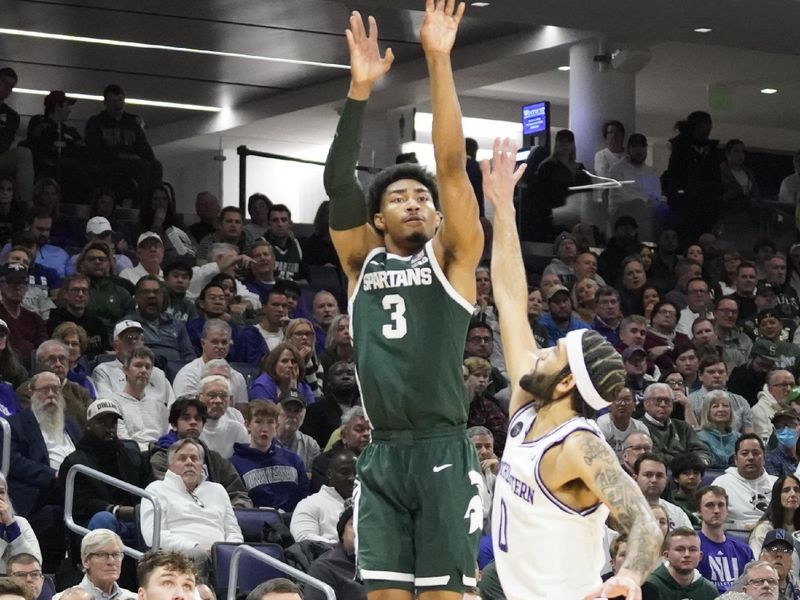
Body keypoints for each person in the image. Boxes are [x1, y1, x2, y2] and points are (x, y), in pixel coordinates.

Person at [324, 4, 491, 596]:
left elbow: (450, 166)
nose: (415, 202)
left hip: (443, 447)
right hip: (382, 453)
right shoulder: (359, 261)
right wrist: (359, 90)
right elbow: (338, 184)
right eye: (399, 197)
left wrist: (440, 60)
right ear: (377, 217)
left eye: (422, 196)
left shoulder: (452, 259)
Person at [481, 136, 662, 600]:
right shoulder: (529, 400)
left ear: (566, 382)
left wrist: (630, 575)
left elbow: (643, 521)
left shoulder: (580, 446)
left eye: (553, 351)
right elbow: (509, 300)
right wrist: (503, 209)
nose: (539, 351)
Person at [57, 399, 152, 541]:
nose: (109, 429)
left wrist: (142, 510)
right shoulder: (74, 463)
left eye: (113, 423)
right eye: (102, 423)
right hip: (95, 523)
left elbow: (150, 487)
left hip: (136, 519)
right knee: (104, 519)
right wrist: (116, 511)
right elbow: (79, 505)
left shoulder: (132, 456)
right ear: (89, 425)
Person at [140, 438, 243, 560]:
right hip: (176, 557)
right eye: (182, 458)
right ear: (170, 465)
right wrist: (194, 547)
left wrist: (225, 551)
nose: (189, 462)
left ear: (201, 466)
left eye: (194, 458)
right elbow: (153, 535)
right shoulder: (156, 489)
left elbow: (234, 532)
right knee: (199, 555)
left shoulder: (218, 490)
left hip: (220, 557)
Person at [149, 395, 252, 509]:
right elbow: (166, 494)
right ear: (174, 424)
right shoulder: (161, 457)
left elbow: (238, 494)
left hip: (218, 518)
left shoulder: (214, 458)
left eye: (197, 418)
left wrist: (234, 510)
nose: (193, 422)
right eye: (186, 418)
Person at [230, 400, 309, 512]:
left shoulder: (294, 460)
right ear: (248, 425)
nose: (265, 428)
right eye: (258, 422)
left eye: (270, 422)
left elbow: (305, 498)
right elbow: (239, 504)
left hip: (294, 522)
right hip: (257, 524)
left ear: (276, 426)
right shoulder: (235, 465)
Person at [90, 320, 174, 407]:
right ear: (115, 346)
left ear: (143, 343)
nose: (133, 342)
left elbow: (173, 406)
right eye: (128, 338)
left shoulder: (158, 373)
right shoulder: (103, 371)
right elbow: (106, 404)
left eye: (137, 338)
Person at [696, 486, 755, 593]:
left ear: (727, 510)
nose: (716, 510)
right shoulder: (692, 549)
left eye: (721, 505)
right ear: (699, 511)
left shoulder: (744, 551)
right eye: (710, 505)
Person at [290, 448, 355, 543]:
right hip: (332, 555)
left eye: (356, 473)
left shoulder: (368, 503)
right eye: (344, 472)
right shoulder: (309, 504)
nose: (352, 478)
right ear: (329, 474)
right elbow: (304, 539)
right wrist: (344, 547)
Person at [713, 434, 777, 529]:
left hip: (771, 535)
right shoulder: (721, 483)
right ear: (736, 459)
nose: (750, 457)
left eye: (756, 453)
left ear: (764, 458)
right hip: (735, 535)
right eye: (744, 453)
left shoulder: (777, 483)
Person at [109, 347, 167, 450]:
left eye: (148, 367)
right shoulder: (113, 402)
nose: (144, 370)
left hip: (159, 455)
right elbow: (122, 439)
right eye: (138, 365)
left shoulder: (159, 405)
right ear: (125, 369)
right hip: (131, 456)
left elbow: (166, 436)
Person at [641, 383, 712, 465]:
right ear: (646, 404)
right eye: (658, 400)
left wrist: (701, 461)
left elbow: (702, 451)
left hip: (687, 472)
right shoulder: (640, 427)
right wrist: (684, 462)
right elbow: (652, 456)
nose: (663, 404)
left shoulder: (683, 427)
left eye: (667, 401)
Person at [305, 505, 366, 600]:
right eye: (353, 523)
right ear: (342, 534)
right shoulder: (324, 568)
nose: (361, 529)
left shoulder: (388, 564)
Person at [640, 527, 719, 600]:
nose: (687, 554)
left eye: (692, 550)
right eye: (679, 549)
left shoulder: (709, 591)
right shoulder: (650, 587)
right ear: (667, 556)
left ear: (700, 556)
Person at [47, 274, 109, 359]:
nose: (80, 294)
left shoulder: (98, 324)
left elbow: (106, 352)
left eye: (84, 290)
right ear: (65, 294)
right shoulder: (54, 323)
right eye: (75, 290)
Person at [302, 361, 360, 449]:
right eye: (339, 373)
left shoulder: (363, 409)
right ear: (329, 382)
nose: (345, 377)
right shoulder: (315, 411)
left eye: (350, 373)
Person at [749, 475, 800, 572]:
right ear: (777, 496)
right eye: (786, 490)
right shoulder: (764, 529)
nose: (793, 494)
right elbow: (756, 565)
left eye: (797, 490)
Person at [0, 264, 46, 371]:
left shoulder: (35, 319)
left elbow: (43, 347)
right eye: (12, 282)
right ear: (2, 285)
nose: (18, 287)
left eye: (23, 283)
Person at [68, 529, 136, 600]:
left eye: (116, 554)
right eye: (102, 555)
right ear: (86, 561)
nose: (111, 561)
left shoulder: (134, 598)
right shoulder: (64, 598)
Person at [633, 453, 696, 530]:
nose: (654, 480)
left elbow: (689, 541)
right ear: (635, 479)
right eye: (648, 475)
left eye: (659, 475)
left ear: (666, 481)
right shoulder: (620, 510)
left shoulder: (677, 514)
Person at [0, 475, 41, 573]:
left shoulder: (20, 523)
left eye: (1, 492)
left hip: (21, 584)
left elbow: (35, 564)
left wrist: (11, 526)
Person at [596, 386, 648, 458]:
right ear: (609, 406)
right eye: (617, 399)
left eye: (627, 399)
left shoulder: (641, 428)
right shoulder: (601, 425)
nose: (622, 403)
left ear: (634, 406)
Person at [697, 390, 740, 468]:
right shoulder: (700, 438)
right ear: (707, 411)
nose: (721, 409)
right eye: (715, 406)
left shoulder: (739, 437)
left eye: (725, 405)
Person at [765, 410, 800, 476]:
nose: (786, 430)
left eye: (791, 424)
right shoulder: (770, 459)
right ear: (775, 431)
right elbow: (777, 485)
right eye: (780, 426)